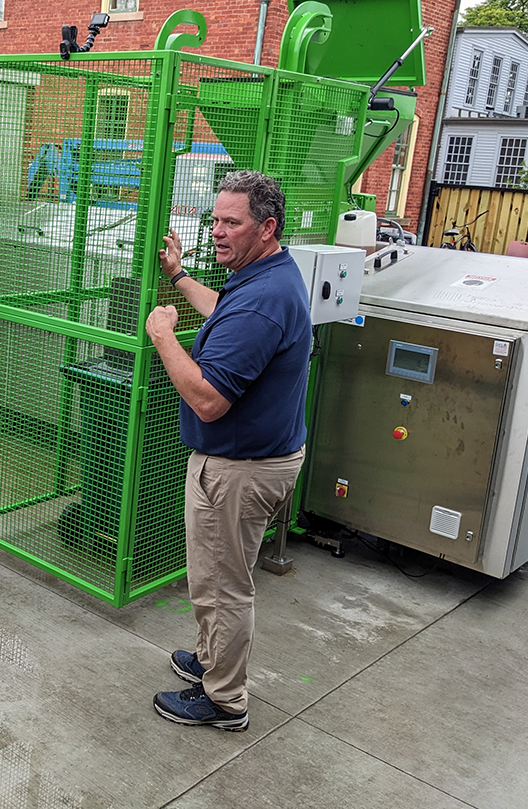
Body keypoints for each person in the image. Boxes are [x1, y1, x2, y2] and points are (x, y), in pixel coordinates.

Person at [144, 171, 310, 731]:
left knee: (223, 585)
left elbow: (210, 401)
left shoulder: (264, 298)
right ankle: (214, 660)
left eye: (230, 223)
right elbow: (225, 311)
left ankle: (224, 700)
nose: (216, 231)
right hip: (255, 457)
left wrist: (164, 335)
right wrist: (180, 277)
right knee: (214, 578)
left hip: (241, 468)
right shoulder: (266, 275)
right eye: (214, 219)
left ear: (266, 227)